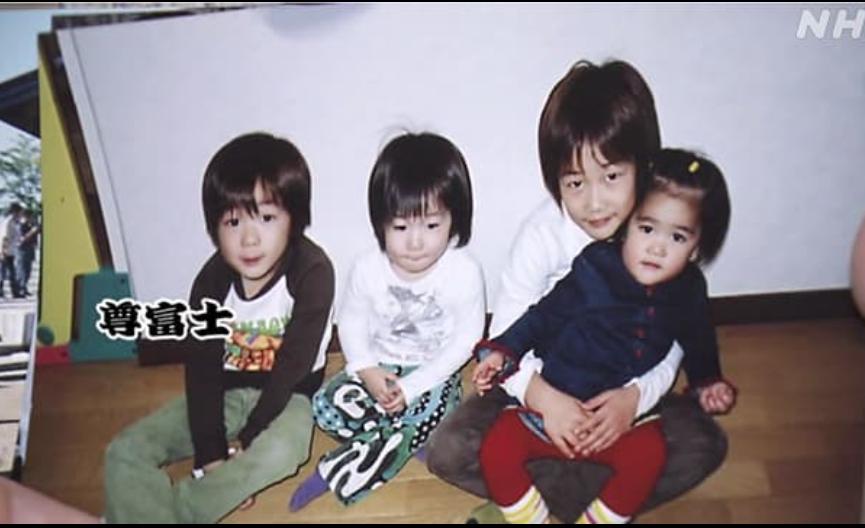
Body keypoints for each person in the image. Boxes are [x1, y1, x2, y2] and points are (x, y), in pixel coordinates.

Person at [426, 59, 728, 523]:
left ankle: (538, 495)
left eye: (611, 176)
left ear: (643, 167)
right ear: (556, 180)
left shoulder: (659, 238)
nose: (594, 201)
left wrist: (635, 399)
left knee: (703, 445)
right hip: (542, 383)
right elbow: (511, 329)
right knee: (448, 449)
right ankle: (593, 495)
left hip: (621, 393)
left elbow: (675, 337)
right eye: (574, 182)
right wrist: (543, 398)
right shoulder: (542, 236)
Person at [475, 148, 736, 524]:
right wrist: (504, 351)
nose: (657, 247)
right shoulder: (595, 265)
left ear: (697, 247)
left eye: (678, 237)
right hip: (551, 404)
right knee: (495, 447)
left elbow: (698, 339)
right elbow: (543, 317)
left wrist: (707, 381)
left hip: (619, 422)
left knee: (653, 454)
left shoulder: (689, 288)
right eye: (647, 229)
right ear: (628, 223)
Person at [103, 132, 335, 523]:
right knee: (124, 451)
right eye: (233, 221)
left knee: (285, 449)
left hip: (287, 397)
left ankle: (178, 513)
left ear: (294, 219)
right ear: (214, 228)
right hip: (226, 392)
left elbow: (293, 367)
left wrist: (249, 439)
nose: (249, 238)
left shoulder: (313, 272)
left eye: (266, 218)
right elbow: (202, 371)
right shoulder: (211, 282)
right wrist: (210, 453)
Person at [289, 132, 485, 509]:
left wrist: (411, 388)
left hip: (432, 378)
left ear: (454, 219)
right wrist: (366, 371)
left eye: (431, 226)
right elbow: (351, 322)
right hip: (379, 370)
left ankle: (338, 470)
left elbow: (466, 340)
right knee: (325, 407)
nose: (415, 243)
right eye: (400, 227)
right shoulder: (367, 268)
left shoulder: (463, 272)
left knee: (440, 413)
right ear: (380, 223)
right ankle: (404, 440)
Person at [16, 209, 39, 297]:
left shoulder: (30, 225)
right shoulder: (21, 226)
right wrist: (32, 232)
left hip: (30, 249)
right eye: (30, 217)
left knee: (28, 270)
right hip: (22, 250)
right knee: (22, 270)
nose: (31, 219)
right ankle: (20, 288)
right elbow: (21, 239)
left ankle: (24, 287)